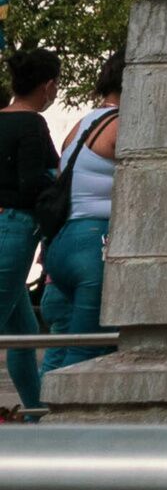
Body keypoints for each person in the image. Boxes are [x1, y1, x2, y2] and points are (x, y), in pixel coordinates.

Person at [40, 52, 120, 387]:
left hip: (63, 245)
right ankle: (58, 435)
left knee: (62, 351)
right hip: (94, 245)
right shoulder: (123, 123)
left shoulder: (82, 123)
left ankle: (36, 419)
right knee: (87, 354)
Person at [0, 50, 64, 421]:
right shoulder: (33, 125)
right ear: (48, 86)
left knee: (22, 330)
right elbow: (33, 182)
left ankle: (38, 414)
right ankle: (40, 417)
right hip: (15, 226)